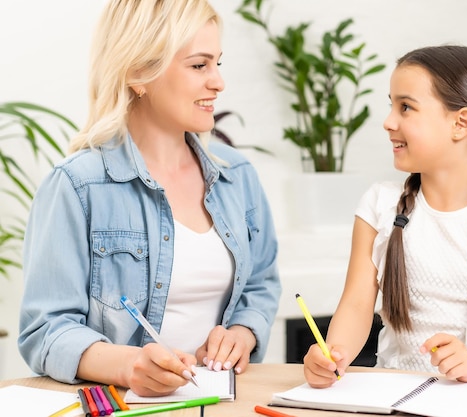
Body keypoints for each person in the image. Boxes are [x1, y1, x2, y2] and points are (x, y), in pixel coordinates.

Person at [18, 0, 281, 397]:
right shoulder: (76, 186)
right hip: (128, 405)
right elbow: (46, 330)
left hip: (227, 401)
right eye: (199, 65)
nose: (218, 82)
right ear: (140, 72)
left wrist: (242, 332)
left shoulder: (237, 175)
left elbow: (260, 284)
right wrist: (127, 365)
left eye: (218, 64)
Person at [303, 45, 467, 389]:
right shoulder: (379, 204)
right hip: (396, 393)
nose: (388, 122)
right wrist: (333, 354)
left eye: (405, 107)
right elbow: (357, 304)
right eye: (392, 105)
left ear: (460, 123)